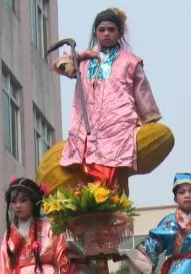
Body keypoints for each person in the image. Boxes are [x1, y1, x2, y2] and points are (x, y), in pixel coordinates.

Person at [56, 8, 161, 190]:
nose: (106, 34)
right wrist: (70, 65)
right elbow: (60, 64)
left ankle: (110, 208)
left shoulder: (130, 61)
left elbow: (142, 91)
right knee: (84, 174)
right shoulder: (84, 58)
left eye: (111, 30)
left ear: (119, 33)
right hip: (86, 126)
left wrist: (150, 121)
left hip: (117, 124)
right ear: (95, 32)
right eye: (102, 29)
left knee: (112, 174)